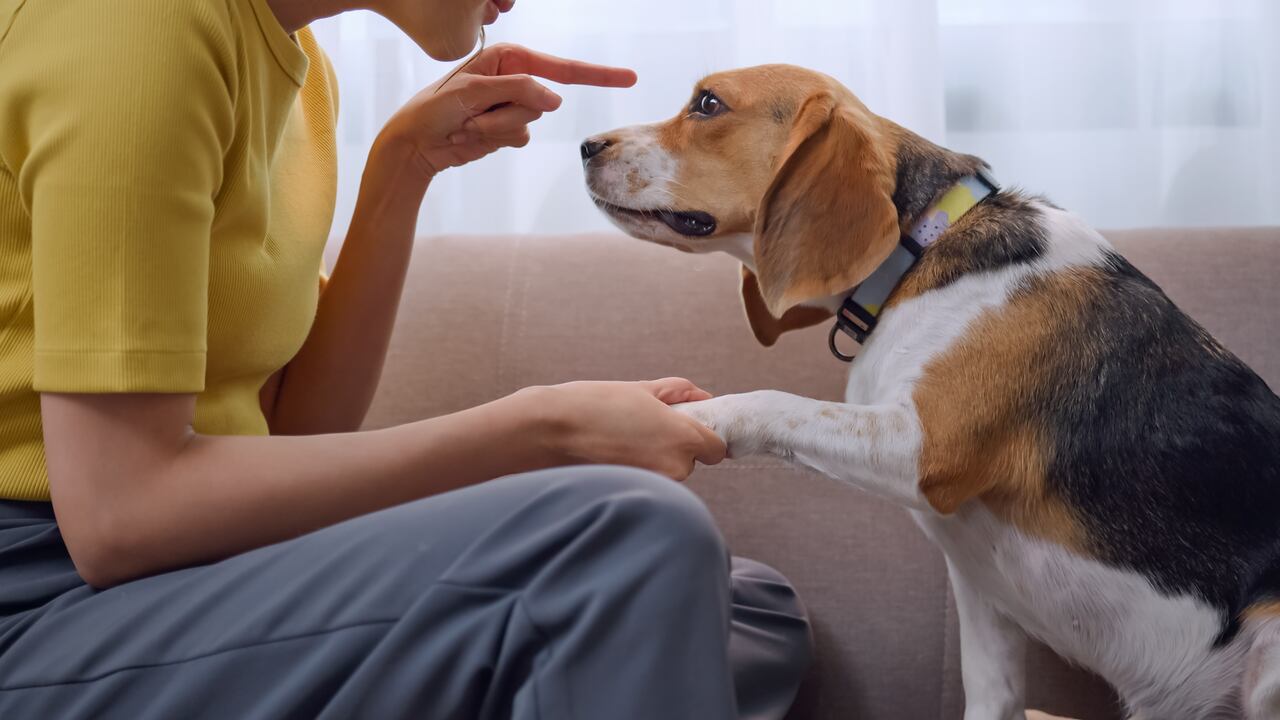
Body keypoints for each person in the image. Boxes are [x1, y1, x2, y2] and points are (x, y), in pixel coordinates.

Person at [0, 0, 813, 717]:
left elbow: (294, 433)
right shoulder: (134, 24)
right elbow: (119, 519)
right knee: (631, 550)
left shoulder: (297, 66)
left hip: (182, 575)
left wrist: (402, 170)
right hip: (43, 600)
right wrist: (545, 428)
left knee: (745, 609)